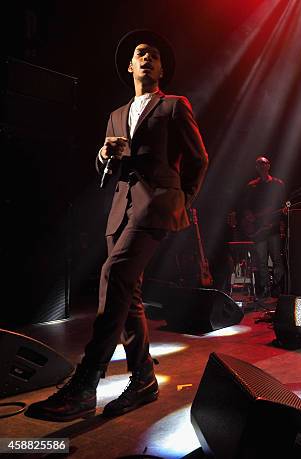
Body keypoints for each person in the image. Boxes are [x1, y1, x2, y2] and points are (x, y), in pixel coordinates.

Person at [26, 30, 208, 421]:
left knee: (114, 275)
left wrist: (179, 200)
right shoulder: (115, 114)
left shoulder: (175, 106)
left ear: (161, 69)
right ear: (130, 66)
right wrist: (102, 154)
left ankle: (86, 382)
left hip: (155, 207)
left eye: (154, 56)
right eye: (141, 54)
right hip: (121, 210)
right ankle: (143, 379)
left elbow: (199, 160)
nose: (147, 59)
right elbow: (108, 170)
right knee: (130, 297)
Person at [240, 156, 286, 299]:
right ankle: (266, 287)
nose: (261, 166)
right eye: (259, 163)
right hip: (258, 229)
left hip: (273, 227)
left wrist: (282, 219)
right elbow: (245, 205)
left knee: (277, 259)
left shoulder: (278, 184)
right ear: (256, 167)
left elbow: (283, 205)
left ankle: (277, 285)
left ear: (269, 165)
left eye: (264, 163)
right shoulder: (251, 185)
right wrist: (249, 215)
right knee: (261, 260)